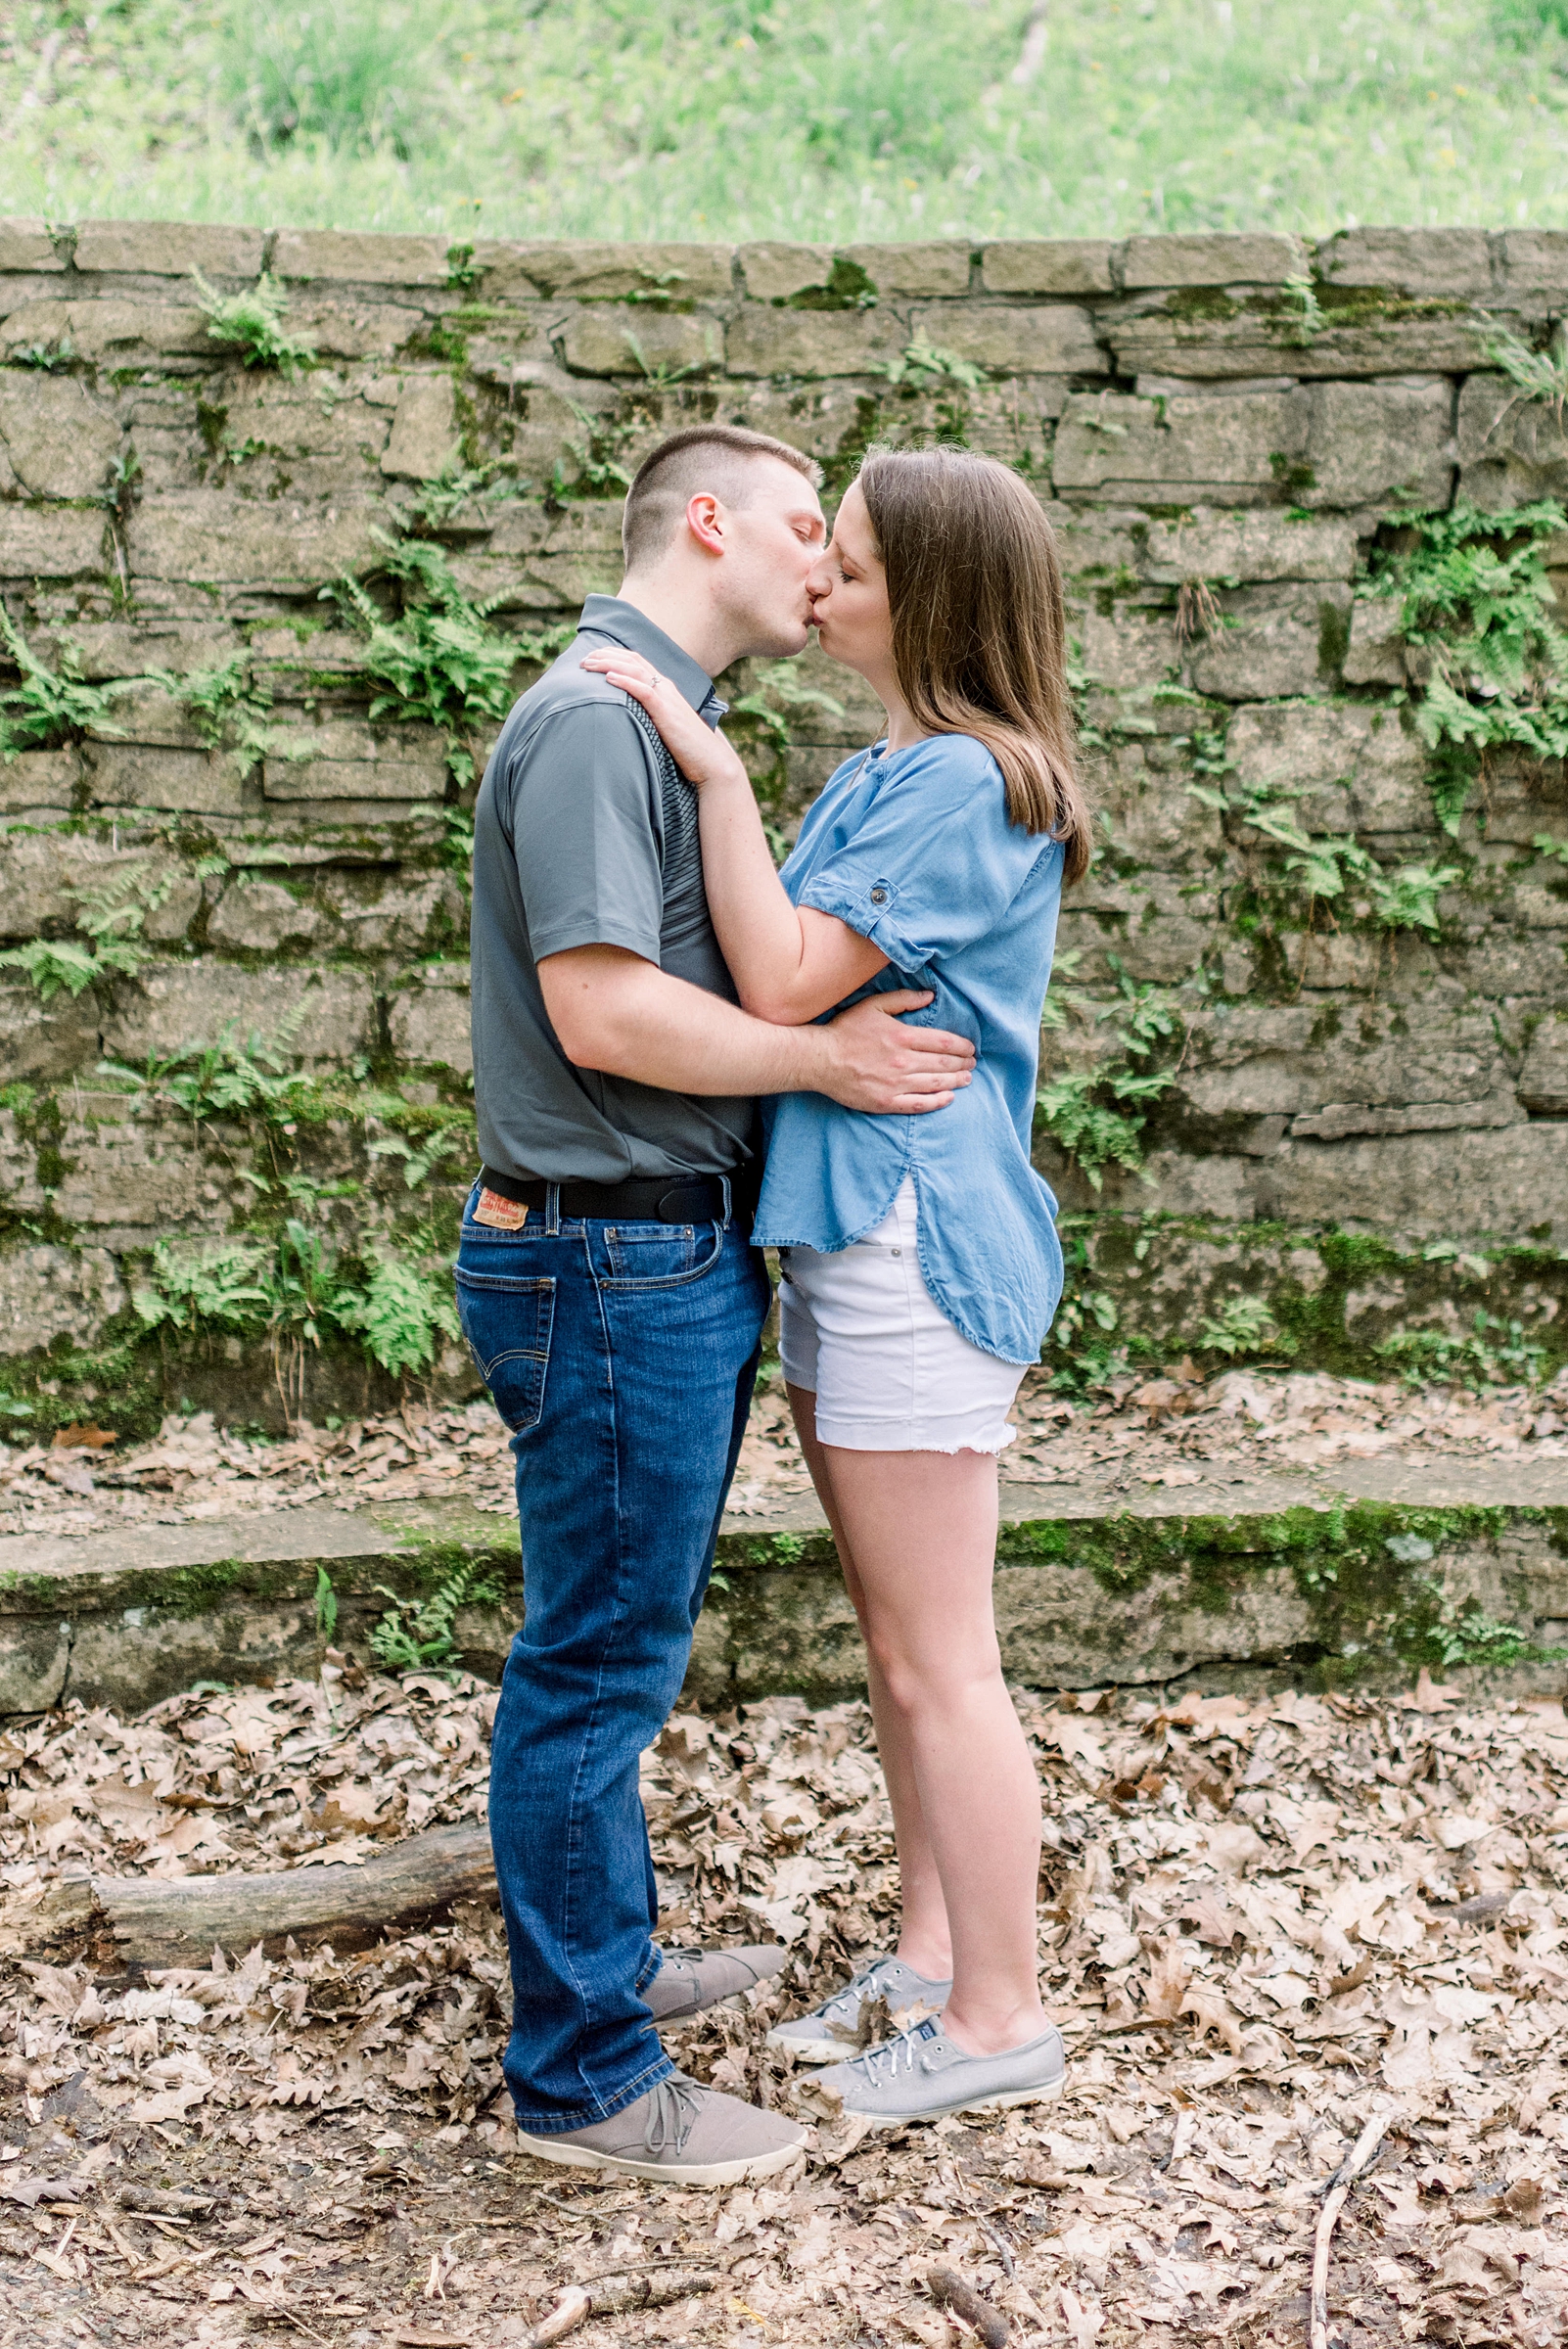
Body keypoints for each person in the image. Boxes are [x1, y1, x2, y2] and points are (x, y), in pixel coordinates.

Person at [461, 424, 980, 2187]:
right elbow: (604, 1014)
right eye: (794, 525)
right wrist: (821, 1062)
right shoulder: (602, 720)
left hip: (651, 1251)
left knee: (620, 1650)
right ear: (706, 520)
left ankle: (604, 1973)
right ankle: (589, 2082)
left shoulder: (658, 725)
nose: (820, 565)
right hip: (605, 1257)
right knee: (594, 1667)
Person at [578, 441, 1092, 2127]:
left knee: (944, 1656)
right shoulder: (888, 771)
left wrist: (711, 781)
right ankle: (938, 1961)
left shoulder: (962, 780)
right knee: (896, 1645)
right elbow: (787, 992)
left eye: (852, 563)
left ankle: (1000, 2012)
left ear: (932, 595)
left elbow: (786, 968)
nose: (820, 581)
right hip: (847, 1231)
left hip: (910, 1242)